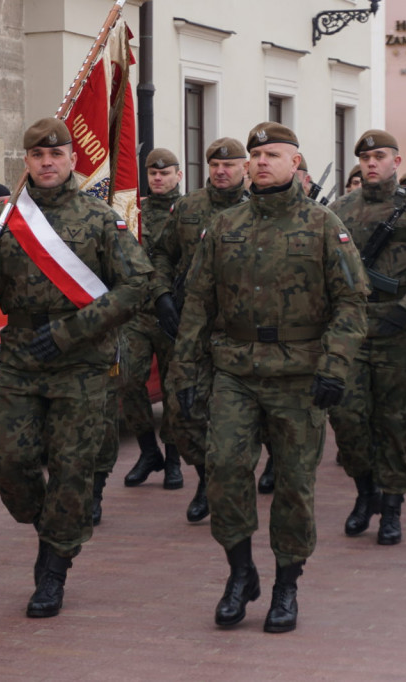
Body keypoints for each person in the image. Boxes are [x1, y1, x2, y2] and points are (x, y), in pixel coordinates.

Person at [172, 122, 368, 633]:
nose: (261, 162)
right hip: (235, 369)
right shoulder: (225, 225)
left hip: (299, 374)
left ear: (296, 164)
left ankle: (287, 583)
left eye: (273, 154)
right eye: (256, 154)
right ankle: (241, 573)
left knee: (296, 487)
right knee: (224, 470)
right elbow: (198, 301)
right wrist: (185, 372)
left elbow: (352, 302)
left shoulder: (325, 225)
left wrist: (335, 364)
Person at [0, 117, 152, 618]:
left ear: (72, 159)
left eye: (57, 154)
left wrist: (70, 332)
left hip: (81, 362)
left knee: (72, 469)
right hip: (22, 356)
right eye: (37, 156)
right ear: (26, 161)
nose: (47, 163)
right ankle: (50, 523)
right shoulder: (2, 219)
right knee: (8, 459)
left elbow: (138, 286)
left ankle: (52, 568)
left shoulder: (98, 219)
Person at [328, 130, 406, 543]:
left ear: (396, 162)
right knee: (348, 419)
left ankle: (393, 505)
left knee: (396, 422)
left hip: (401, 334)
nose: (371, 163)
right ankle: (366, 493)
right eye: (364, 157)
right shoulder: (340, 209)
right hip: (353, 331)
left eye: (379, 156)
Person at [150, 137, 249, 522]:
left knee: (234, 415)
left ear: (244, 167)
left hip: (240, 331)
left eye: (229, 165)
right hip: (191, 327)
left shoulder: (255, 208)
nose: (221, 171)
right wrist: (161, 296)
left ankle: (232, 483)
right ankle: (207, 476)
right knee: (182, 411)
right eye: (214, 165)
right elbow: (161, 252)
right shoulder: (188, 207)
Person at [119, 148, 186, 495]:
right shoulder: (133, 211)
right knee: (128, 380)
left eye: (165, 173)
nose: (158, 178)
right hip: (137, 314)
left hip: (174, 314)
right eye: (153, 173)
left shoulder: (188, 211)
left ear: (178, 175)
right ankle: (148, 452)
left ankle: (173, 459)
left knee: (175, 392)